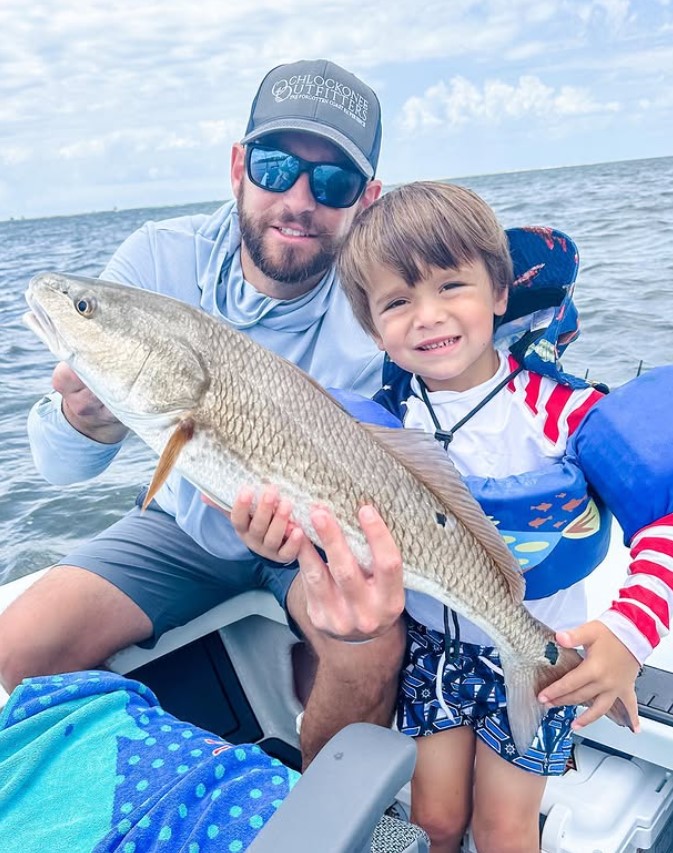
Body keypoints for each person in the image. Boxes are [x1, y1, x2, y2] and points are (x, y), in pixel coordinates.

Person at [240, 181, 673, 852]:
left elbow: (661, 523)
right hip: (428, 656)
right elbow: (328, 523)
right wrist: (278, 538)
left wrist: (625, 637)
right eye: (396, 300)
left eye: (449, 286)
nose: (426, 315)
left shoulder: (555, 410)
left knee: (503, 831)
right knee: (433, 820)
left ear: (498, 293)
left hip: (535, 654)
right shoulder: (375, 425)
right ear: (371, 323)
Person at [0, 59, 405, 768]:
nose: (299, 199)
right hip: (184, 516)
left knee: (371, 651)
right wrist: (87, 418)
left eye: (333, 181)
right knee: (19, 647)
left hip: (311, 534)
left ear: (366, 198)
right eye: (276, 167)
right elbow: (54, 466)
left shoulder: (382, 301)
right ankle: (141, 794)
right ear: (237, 167)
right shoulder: (156, 261)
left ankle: (326, 822)